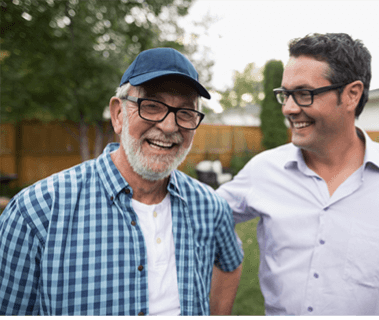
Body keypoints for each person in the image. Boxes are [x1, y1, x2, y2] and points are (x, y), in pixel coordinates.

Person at [216, 33, 379, 316]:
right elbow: (200, 218)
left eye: (304, 93)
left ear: (352, 94)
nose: (289, 108)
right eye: (285, 94)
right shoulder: (263, 170)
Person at [0, 48, 243, 316]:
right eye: (152, 106)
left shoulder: (210, 206)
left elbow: (231, 262)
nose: (170, 126)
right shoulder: (36, 213)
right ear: (118, 114)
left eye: (185, 112)